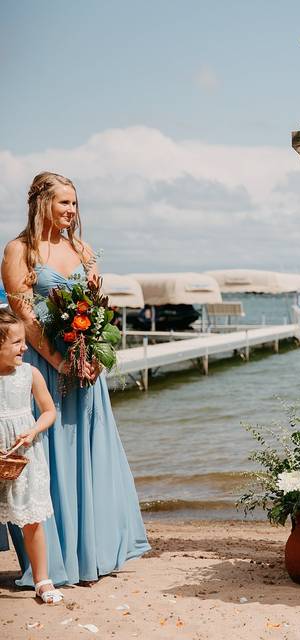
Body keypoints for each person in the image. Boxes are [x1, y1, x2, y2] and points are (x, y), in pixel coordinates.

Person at [1, 172, 150, 586]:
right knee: (47, 457)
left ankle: (93, 556)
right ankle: (52, 564)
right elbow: (25, 318)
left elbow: (97, 305)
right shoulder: (19, 251)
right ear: (41, 203)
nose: (71, 211)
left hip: (85, 370)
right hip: (46, 368)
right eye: (64, 202)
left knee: (88, 453)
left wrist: (94, 352)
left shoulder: (82, 249)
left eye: (74, 203)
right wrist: (59, 361)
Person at [0, 307, 61, 603]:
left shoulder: (30, 374)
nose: (25, 347)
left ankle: (42, 580)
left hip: (24, 457)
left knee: (31, 519)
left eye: (24, 340)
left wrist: (34, 430)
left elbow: (49, 411)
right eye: (16, 343)